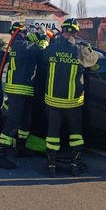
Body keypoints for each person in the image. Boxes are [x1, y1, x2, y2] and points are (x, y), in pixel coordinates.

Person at [43, 18, 99, 177]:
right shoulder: (80, 51)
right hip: (73, 102)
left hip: (52, 100)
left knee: (52, 133)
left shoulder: (52, 49)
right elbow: (94, 59)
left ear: (62, 31)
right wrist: (86, 46)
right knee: (75, 133)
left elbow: (42, 58)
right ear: (76, 32)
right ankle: (75, 165)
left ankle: (51, 166)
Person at [0, 22, 49, 169]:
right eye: (24, 32)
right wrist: (43, 36)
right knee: (13, 123)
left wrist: (35, 35)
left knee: (26, 121)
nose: (25, 34)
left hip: (25, 89)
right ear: (20, 33)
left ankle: (21, 148)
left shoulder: (19, 44)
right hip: (18, 90)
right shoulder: (21, 45)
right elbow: (41, 49)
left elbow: (31, 45)